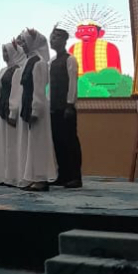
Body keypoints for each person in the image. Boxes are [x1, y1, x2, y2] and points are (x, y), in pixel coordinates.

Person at [15, 28, 58, 191]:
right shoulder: (28, 61)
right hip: (28, 103)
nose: (23, 45)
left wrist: (35, 110)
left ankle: (41, 178)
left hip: (36, 106)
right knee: (29, 143)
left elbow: (39, 89)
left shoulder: (39, 62)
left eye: (26, 42)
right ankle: (31, 176)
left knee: (39, 143)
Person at [49, 25, 83, 188]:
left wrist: (70, 104)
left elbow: (72, 84)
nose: (52, 40)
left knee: (70, 142)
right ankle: (62, 175)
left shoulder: (70, 59)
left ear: (64, 40)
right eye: (51, 37)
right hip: (54, 108)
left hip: (66, 108)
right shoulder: (51, 61)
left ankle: (75, 177)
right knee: (58, 142)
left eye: (56, 37)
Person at [0, 42, 22, 186]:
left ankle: (13, 176)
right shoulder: (3, 70)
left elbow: (16, 92)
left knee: (12, 143)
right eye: (3, 52)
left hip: (10, 109)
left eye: (7, 52)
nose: (5, 55)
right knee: (2, 143)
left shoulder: (18, 70)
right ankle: (4, 175)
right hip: (1, 108)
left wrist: (13, 111)